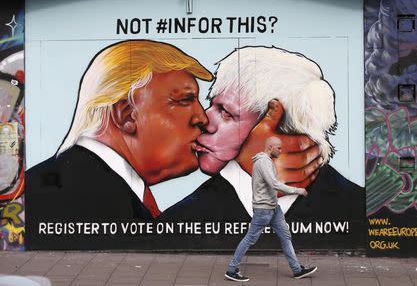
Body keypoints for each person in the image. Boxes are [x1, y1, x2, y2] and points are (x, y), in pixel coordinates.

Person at [161, 46, 365, 250]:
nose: (205, 120)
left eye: (226, 112)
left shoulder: (354, 206)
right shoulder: (360, 206)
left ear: (280, 129)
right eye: (212, 104)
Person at [25, 40, 213, 249]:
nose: (202, 118)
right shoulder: (82, 195)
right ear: (126, 115)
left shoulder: (69, 181)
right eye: (185, 100)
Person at [225, 136, 317, 282]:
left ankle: (297, 270)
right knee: (249, 239)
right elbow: (274, 184)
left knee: (286, 237)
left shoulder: (266, 161)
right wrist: (298, 190)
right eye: (278, 148)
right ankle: (231, 270)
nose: (281, 151)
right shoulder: (263, 162)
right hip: (263, 210)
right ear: (270, 148)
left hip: (274, 208)